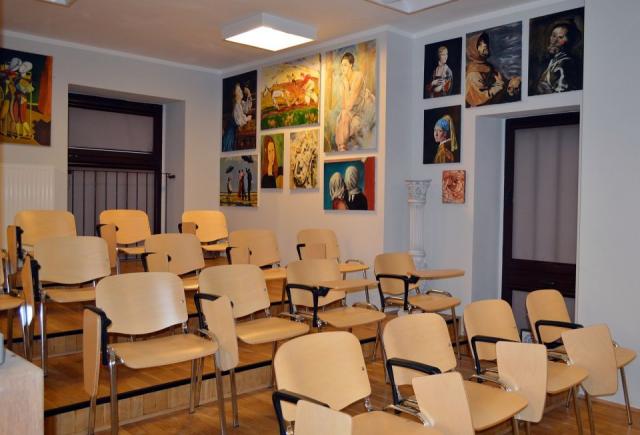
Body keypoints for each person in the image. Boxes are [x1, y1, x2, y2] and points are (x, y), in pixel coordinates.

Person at [334, 52, 376, 151]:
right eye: (341, 65)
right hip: (352, 110)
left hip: (362, 108)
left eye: (345, 65)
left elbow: (349, 104)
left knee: (345, 116)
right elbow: (344, 106)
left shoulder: (358, 76)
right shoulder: (343, 80)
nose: (342, 68)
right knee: (343, 115)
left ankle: (342, 147)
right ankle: (342, 148)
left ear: (351, 65)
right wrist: (345, 84)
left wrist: (346, 84)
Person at [536, 20, 581, 94]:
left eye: (560, 37)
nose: (554, 41)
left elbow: (563, 94)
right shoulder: (553, 60)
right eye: (553, 36)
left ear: (569, 41)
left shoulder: (566, 62)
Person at [465, 32, 506, 107]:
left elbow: (501, 81)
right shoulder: (473, 72)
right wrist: (498, 87)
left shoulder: (488, 66)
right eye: (480, 44)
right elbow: (477, 99)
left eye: (484, 42)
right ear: (473, 50)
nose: (485, 45)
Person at [222, 83, 252, 152]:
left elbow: (247, 108)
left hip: (236, 132)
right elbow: (239, 122)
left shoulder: (240, 103)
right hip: (231, 135)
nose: (241, 91)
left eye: (240, 89)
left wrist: (249, 94)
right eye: (238, 91)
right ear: (235, 95)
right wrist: (247, 119)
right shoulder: (236, 106)